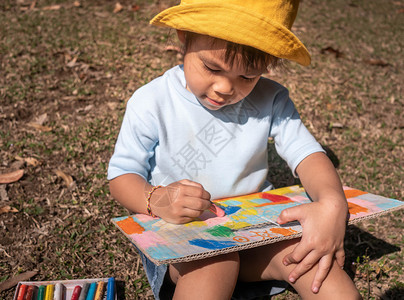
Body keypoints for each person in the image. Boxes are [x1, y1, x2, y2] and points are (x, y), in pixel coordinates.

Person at [108, 0, 362, 299]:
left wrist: (332, 204)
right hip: (187, 241)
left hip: (257, 235)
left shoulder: (272, 98)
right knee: (217, 264)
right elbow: (122, 175)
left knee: (314, 263)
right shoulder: (152, 101)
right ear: (183, 35)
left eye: (248, 75)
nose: (225, 88)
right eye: (212, 67)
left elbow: (308, 155)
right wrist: (156, 199)